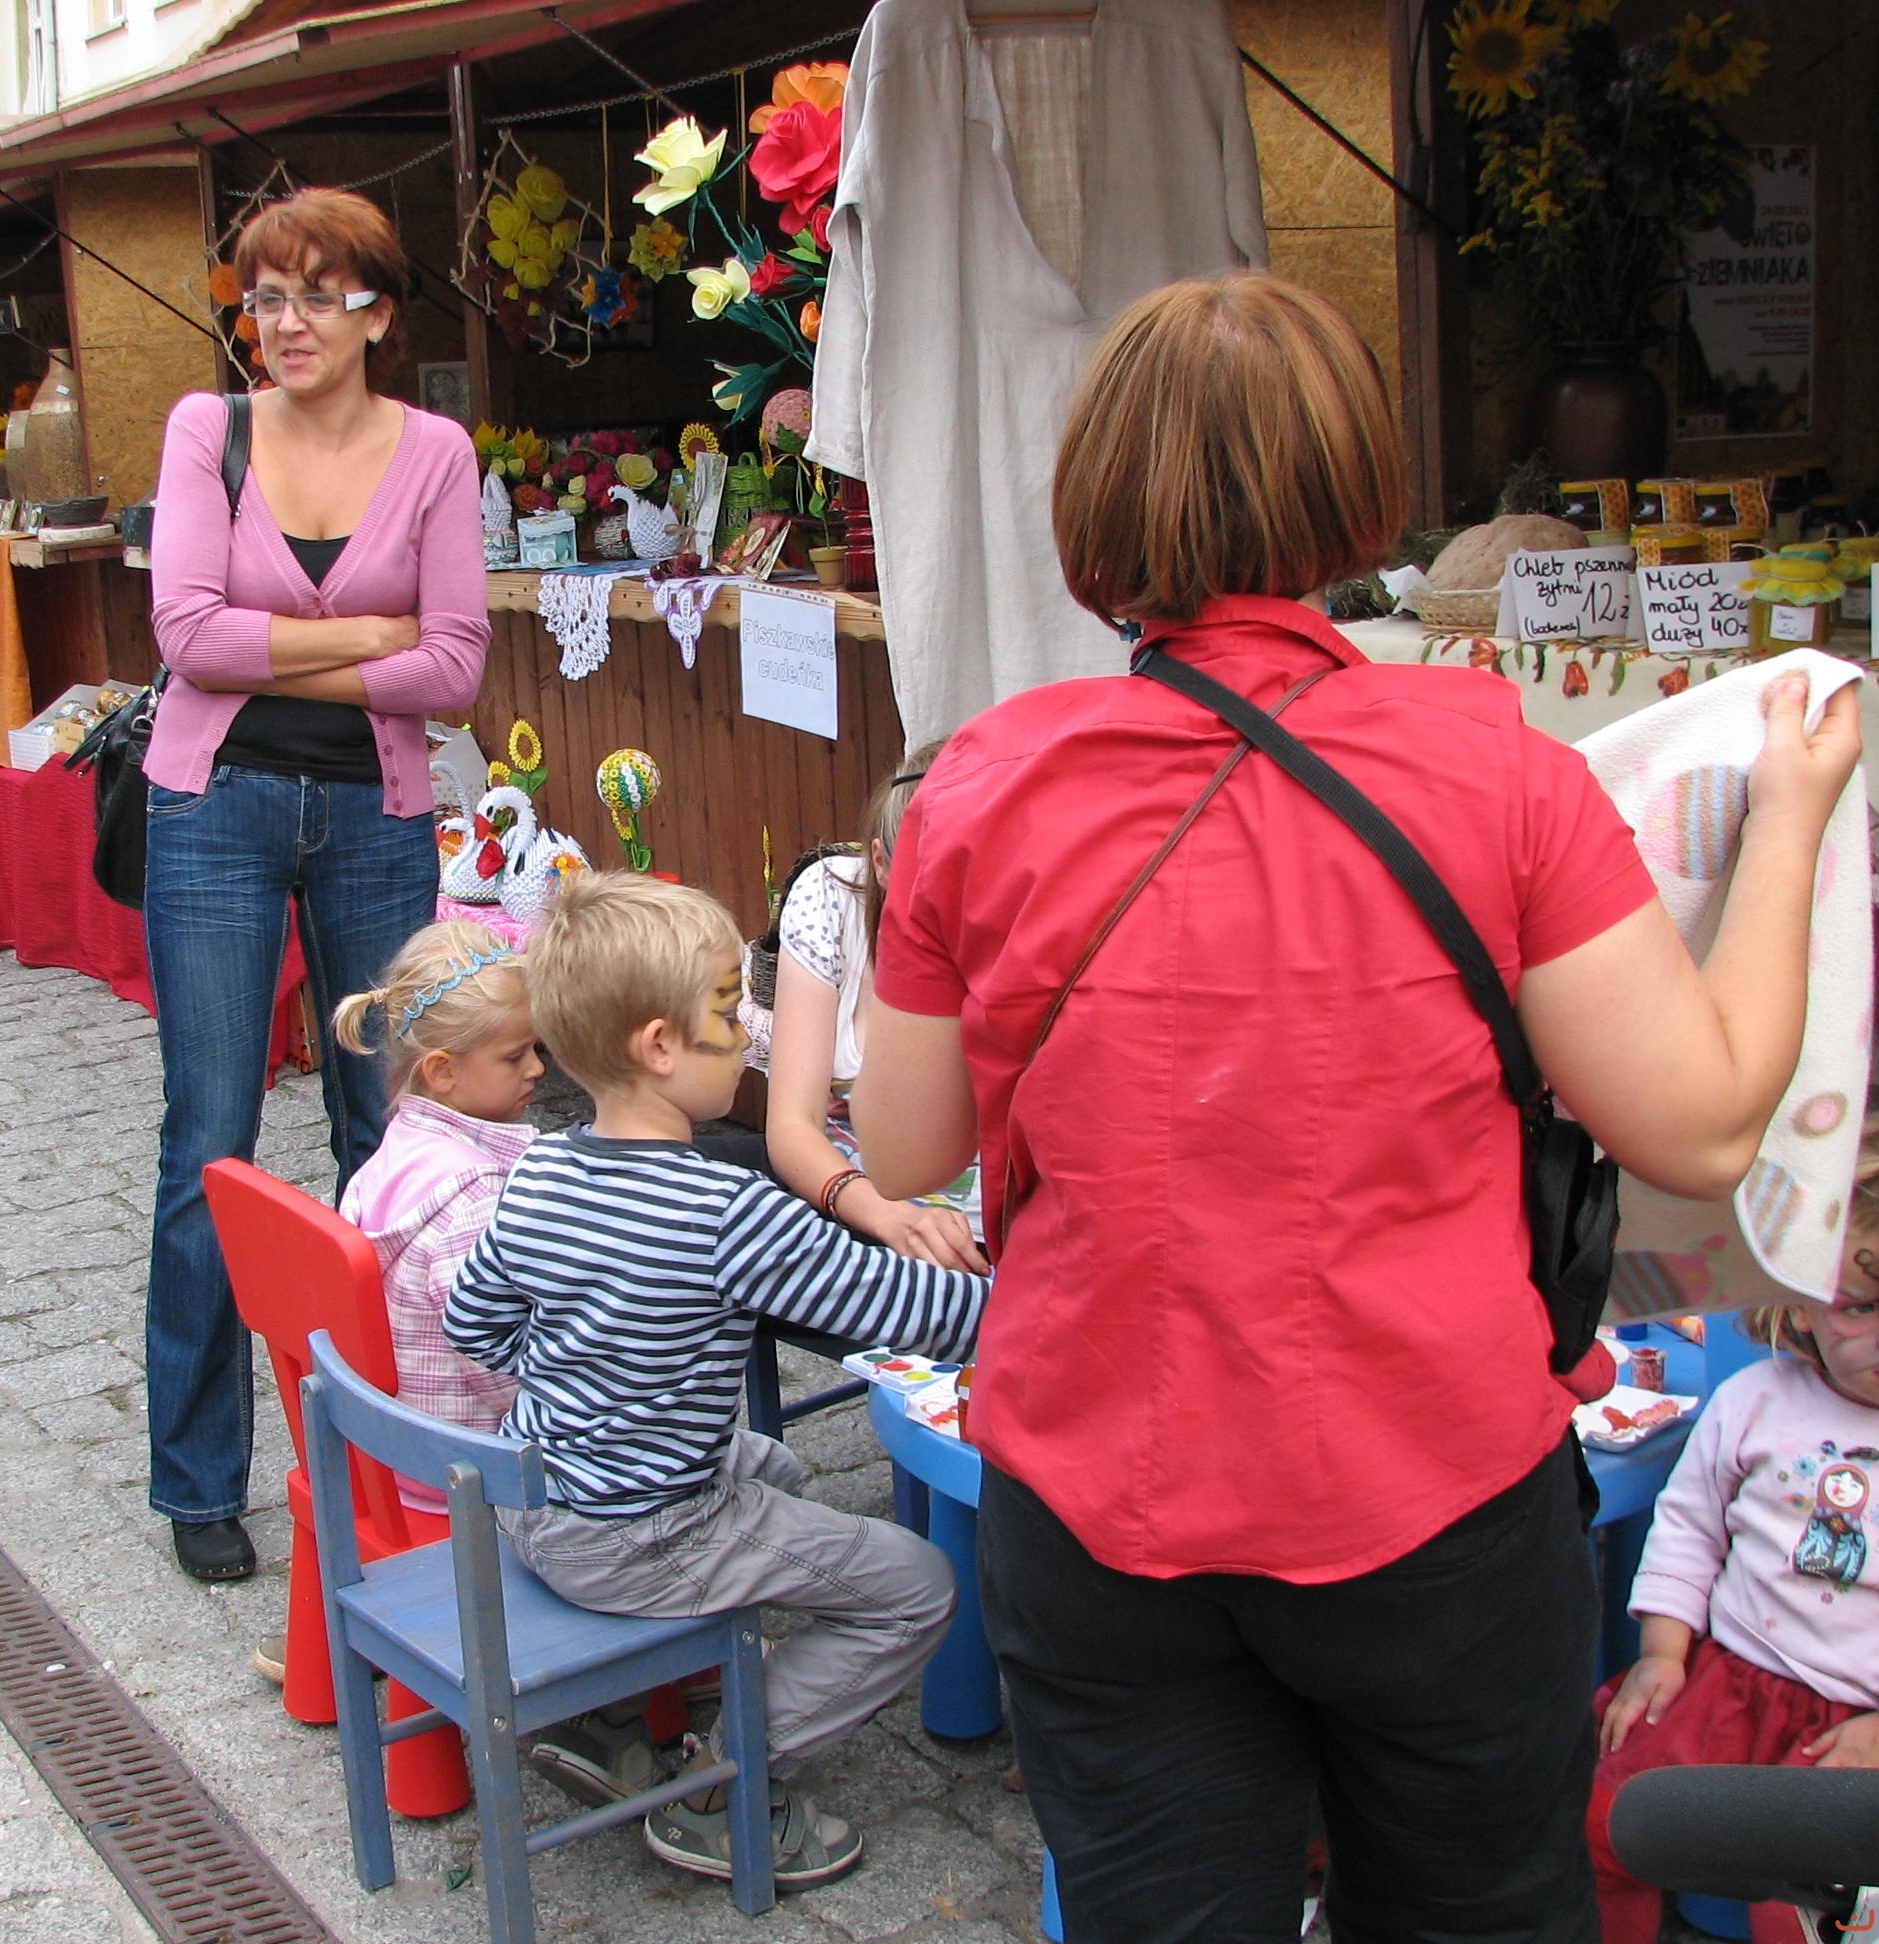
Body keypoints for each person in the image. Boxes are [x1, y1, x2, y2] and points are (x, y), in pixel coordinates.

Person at [850, 270, 1862, 1944]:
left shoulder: (981, 780)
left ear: (1092, 499)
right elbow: (1698, 1128)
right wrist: (1794, 822)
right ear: (1354, 488)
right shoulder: (1501, 769)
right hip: (1436, 1498)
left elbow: (902, 1150)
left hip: (1099, 1501)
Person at [447, 873, 987, 1889]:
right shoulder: (728, 1211)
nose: (748, 1035)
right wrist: (1036, 1303)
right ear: (660, 1046)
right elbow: (909, 1312)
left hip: (537, 1503)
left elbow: (473, 1323)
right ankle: (719, 1786)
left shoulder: (538, 1171)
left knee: (772, 1465)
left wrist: (590, 1373)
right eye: (732, 1014)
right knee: (918, 1588)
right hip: (644, 1533)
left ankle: (620, 1715)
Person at [140, 186, 488, 1583]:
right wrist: (366, 635)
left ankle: (381, 1454)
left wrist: (275, 639)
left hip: (375, 818)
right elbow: (185, 637)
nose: (285, 324)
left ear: (377, 313)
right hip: (212, 811)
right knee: (208, 1139)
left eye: (317, 296)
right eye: (264, 298)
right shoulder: (205, 430)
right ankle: (196, 1478)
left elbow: (455, 669)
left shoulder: (436, 450)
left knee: (386, 1131)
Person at [1587, 1150, 1879, 1944]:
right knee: (1608, 1824)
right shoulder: (1754, 1401)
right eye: (1861, 1305)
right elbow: (1688, 1528)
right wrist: (1662, 1654)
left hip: (1859, 1723)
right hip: (1732, 1684)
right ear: (1802, 1302)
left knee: (1803, 1908)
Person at [331, 921, 538, 1485]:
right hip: (470, 1477)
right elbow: (497, 1365)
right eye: (515, 1056)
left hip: (393, 1452)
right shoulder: (474, 1200)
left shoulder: (391, 1156)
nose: (537, 1068)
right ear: (442, 1070)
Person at [763, 746, 983, 1269]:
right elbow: (793, 1122)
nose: (949, 911)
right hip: (855, 1207)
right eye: (926, 885)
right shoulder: (832, 898)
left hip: (983, 1236)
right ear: (880, 862)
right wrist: (888, 1216)